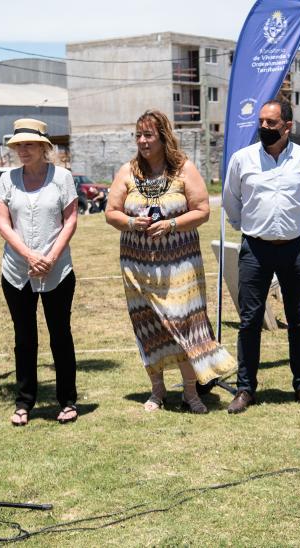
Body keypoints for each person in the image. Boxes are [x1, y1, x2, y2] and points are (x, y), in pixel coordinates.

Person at [105, 109, 235, 414]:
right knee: (149, 327)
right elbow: (111, 212)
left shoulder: (183, 170)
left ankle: (191, 393)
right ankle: (158, 391)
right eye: (138, 135)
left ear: (164, 137)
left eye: (148, 135)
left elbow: (202, 210)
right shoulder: (127, 172)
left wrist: (172, 224)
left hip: (180, 266)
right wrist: (131, 223)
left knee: (185, 324)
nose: (142, 140)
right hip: (138, 268)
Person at [222, 99, 300, 414]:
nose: (264, 127)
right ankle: (245, 389)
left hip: (295, 248)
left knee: (299, 320)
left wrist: (291, 227)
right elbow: (231, 200)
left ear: (287, 126)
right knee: (250, 321)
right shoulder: (242, 159)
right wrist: (250, 228)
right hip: (255, 248)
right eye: (261, 121)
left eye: (271, 123)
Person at [0, 118, 79, 426]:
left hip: (58, 270)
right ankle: (24, 402)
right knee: (24, 338)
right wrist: (30, 255)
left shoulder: (62, 177)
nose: (23, 150)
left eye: (29, 144)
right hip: (17, 271)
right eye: (19, 145)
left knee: (60, 335)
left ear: (44, 147)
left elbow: (70, 219)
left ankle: (67, 400)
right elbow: (3, 223)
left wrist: (50, 257)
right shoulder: (7, 179)